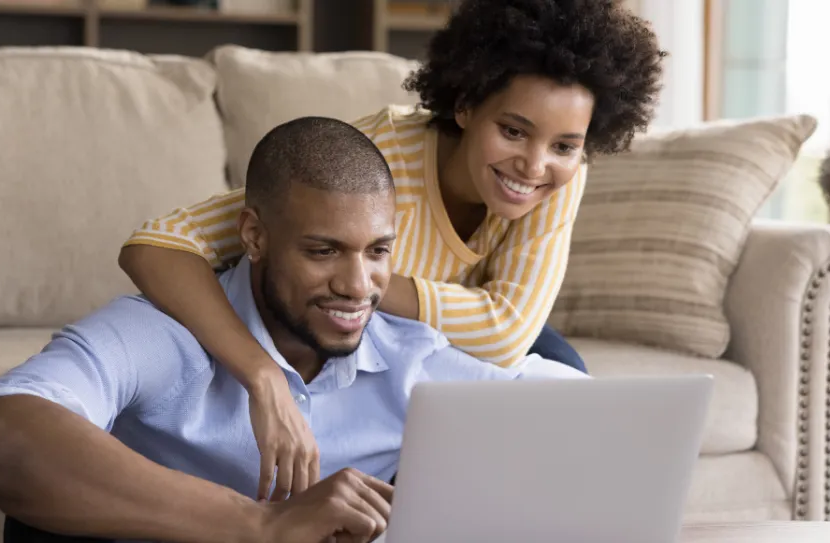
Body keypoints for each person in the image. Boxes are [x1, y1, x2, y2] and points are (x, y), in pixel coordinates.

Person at [118, 0, 663, 506]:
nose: (535, 165)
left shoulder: (557, 176)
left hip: (431, 330)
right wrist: (263, 374)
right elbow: (157, 245)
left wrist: (374, 289)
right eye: (514, 131)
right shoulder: (375, 160)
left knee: (565, 380)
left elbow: (508, 332)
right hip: (355, 334)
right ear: (467, 104)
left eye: (565, 145)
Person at [0, 117, 584, 543]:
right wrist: (263, 524)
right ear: (254, 236)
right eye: (323, 251)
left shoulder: (417, 363)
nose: (359, 286)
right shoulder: (161, 337)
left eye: (379, 252)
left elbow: (582, 427)